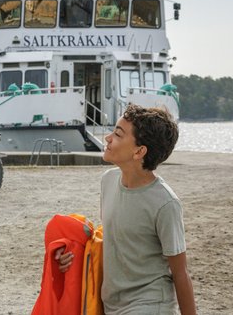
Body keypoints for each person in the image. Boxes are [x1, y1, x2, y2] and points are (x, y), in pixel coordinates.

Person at [57, 105, 197, 314]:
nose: (108, 138)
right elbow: (114, 241)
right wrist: (73, 254)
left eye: (118, 134)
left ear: (139, 151)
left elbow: (180, 272)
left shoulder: (166, 204)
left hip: (150, 305)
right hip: (111, 303)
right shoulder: (109, 181)